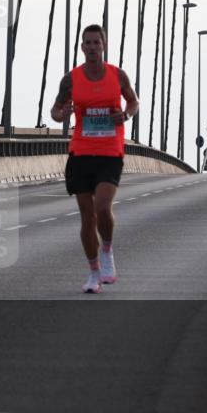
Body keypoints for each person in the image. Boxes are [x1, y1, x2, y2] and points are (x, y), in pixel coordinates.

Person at [50, 25, 139, 294]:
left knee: (102, 207)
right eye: (87, 43)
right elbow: (55, 111)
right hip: (81, 151)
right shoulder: (71, 79)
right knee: (87, 218)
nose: (92, 47)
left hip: (110, 151)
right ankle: (93, 273)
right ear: (82, 47)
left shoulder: (117, 75)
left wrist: (126, 115)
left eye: (96, 43)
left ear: (104, 45)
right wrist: (63, 113)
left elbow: (133, 102)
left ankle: (107, 250)